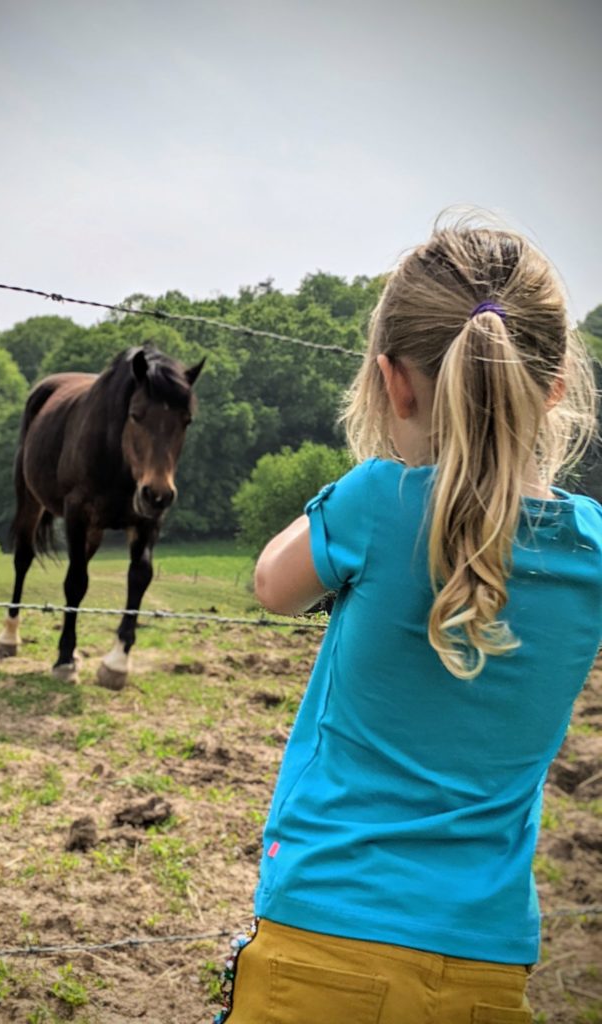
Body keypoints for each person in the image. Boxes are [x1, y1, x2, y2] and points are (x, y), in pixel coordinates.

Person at [214, 216, 602, 1024]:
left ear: (393, 382)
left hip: (324, 936)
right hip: (487, 967)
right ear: (558, 384)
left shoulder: (376, 501)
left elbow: (272, 584)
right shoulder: (593, 549)